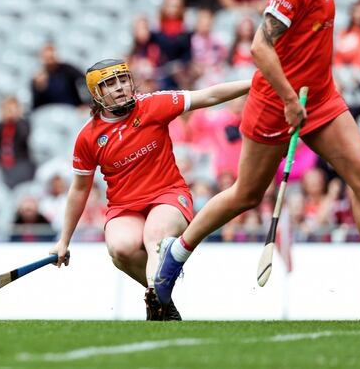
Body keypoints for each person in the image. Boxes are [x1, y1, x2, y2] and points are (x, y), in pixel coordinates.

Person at [154, 0, 360, 311]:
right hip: (276, 103)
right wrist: (288, 100)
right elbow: (259, 47)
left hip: (320, 99)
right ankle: (176, 253)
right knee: (246, 195)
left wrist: (311, 90)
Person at [51, 59, 250, 321]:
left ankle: (156, 301)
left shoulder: (153, 105)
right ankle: (162, 298)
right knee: (121, 249)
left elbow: (210, 95)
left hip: (167, 194)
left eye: (122, 80)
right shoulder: (88, 137)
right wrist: (64, 240)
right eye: (110, 83)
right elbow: (79, 190)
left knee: (155, 236)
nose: (120, 87)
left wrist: (254, 82)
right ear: (96, 94)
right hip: (124, 205)